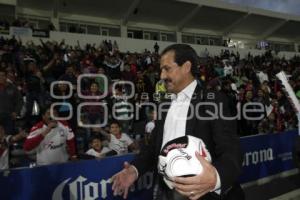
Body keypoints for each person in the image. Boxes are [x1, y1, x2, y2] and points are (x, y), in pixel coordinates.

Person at [111, 44, 244, 200]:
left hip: (203, 195)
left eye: (167, 69)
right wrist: (135, 169)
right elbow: (153, 146)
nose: (161, 76)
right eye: (161, 70)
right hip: (165, 193)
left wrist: (215, 177)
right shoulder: (164, 104)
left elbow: (231, 149)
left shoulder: (213, 101)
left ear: (186, 67)